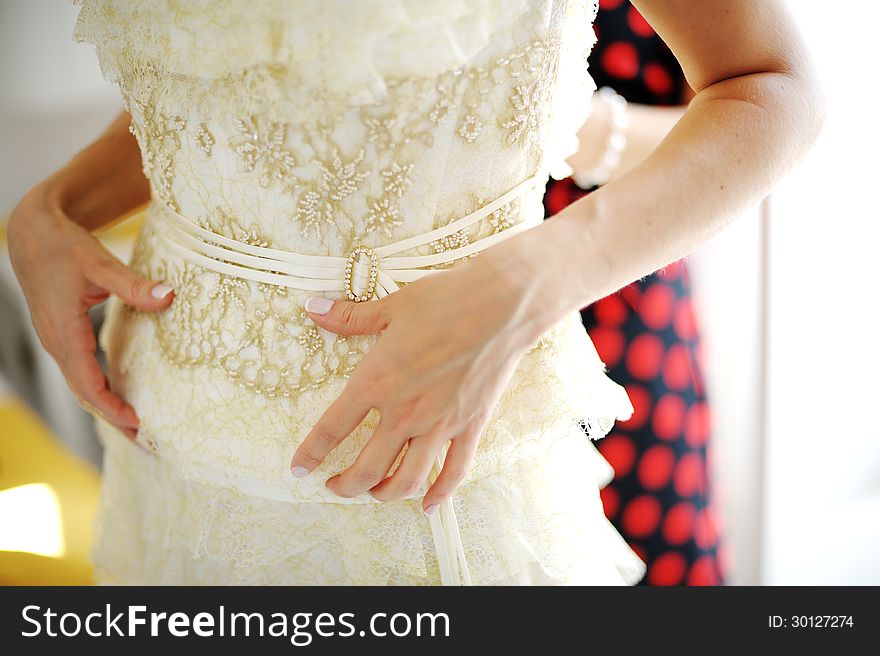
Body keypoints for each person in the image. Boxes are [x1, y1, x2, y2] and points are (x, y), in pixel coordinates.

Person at [6, 0, 821, 585]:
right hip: (174, 444)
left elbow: (771, 85)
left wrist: (528, 281)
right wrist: (53, 207)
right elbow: (259, 81)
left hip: (439, 449)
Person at [544, 0, 724, 585]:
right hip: (419, 280)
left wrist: (571, 127)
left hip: (619, 292)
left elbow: (743, 118)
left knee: (637, 538)